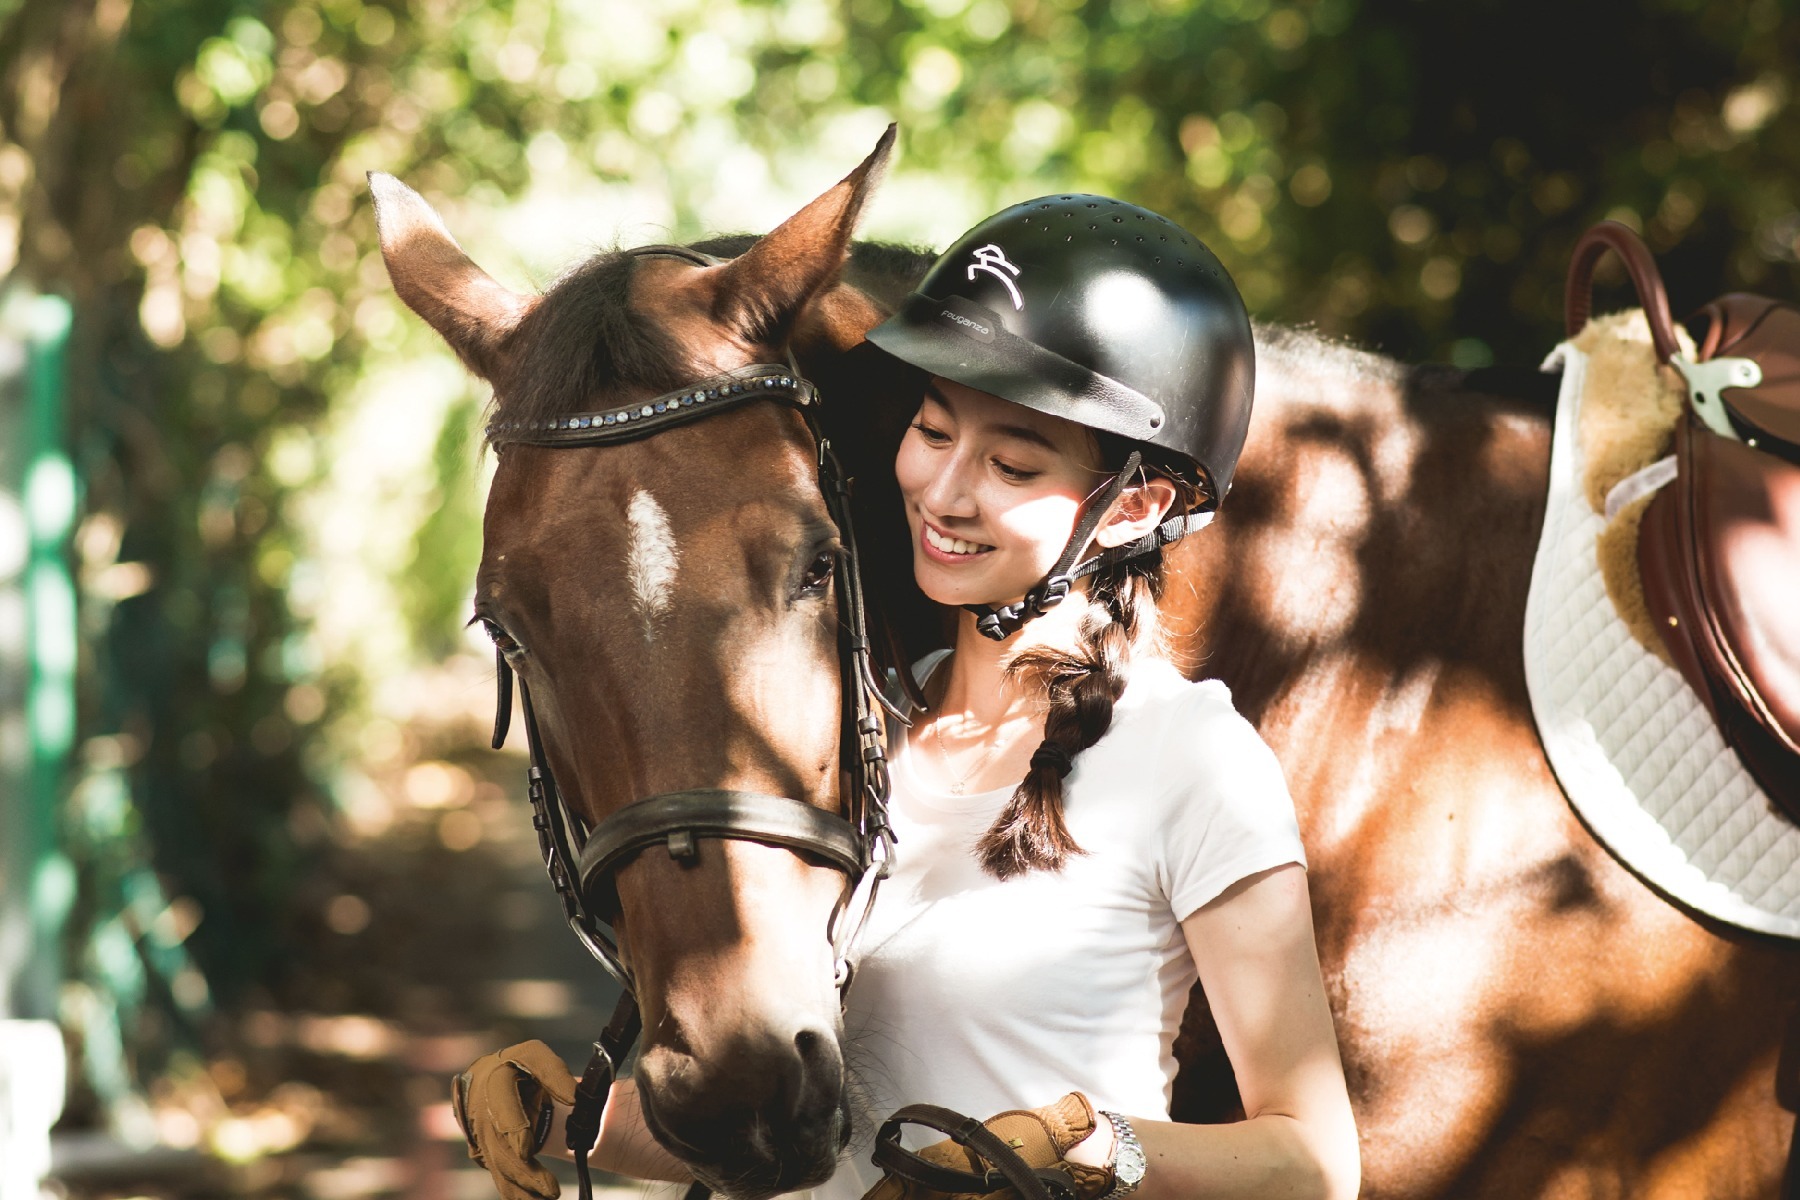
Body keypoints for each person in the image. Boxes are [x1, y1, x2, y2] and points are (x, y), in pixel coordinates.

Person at [454, 195, 1359, 1200]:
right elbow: (832, 1148)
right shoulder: (867, 733)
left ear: (1135, 506)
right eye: (933, 430)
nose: (943, 491)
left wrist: (1091, 1145)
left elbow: (1313, 1165)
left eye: (1011, 463)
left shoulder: (1191, 758)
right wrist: (575, 1120)